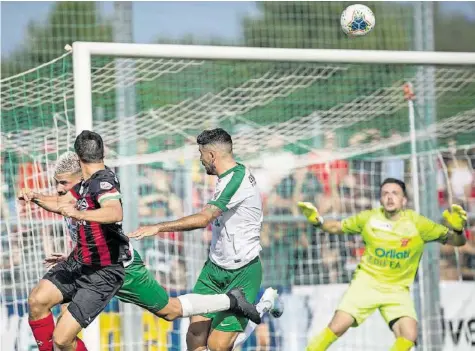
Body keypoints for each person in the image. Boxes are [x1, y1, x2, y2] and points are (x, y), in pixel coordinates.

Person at [20, 131, 259, 351]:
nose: (59, 189)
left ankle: (231, 300)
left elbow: (113, 212)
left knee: (170, 311)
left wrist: (156, 227)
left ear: (80, 171)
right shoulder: (78, 192)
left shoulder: (100, 183)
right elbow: (73, 215)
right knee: (42, 305)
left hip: (120, 269)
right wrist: (36, 198)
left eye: (63, 183)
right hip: (88, 265)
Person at [129, 128, 283, 351]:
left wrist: (158, 227)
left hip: (242, 273)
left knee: (217, 346)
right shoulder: (227, 177)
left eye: (201, 154)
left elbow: (204, 219)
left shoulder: (236, 180)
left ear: (211, 156)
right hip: (213, 271)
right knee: (195, 339)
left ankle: (262, 306)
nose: (200, 160)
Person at [298, 177, 467, 351]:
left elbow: (458, 242)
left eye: (395, 193)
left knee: (409, 335)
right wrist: (318, 221)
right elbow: (335, 227)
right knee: (337, 326)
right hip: (367, 284)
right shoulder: (369, 218)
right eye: (385, 193)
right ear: (380, 199)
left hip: (397, 289)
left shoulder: (418, 223)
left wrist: (458, 230)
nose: (389, 197)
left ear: (404, 200)